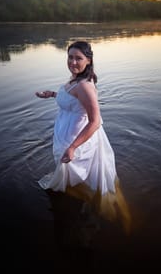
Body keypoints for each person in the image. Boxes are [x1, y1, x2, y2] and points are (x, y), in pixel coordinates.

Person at [35, 41, 131, 232]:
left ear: (88, 60)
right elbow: (73, 99)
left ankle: (102, 212)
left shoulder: (85, 86)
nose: (73, 62)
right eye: (70, 57)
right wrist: (53, 94)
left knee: (85, 179)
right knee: (76, 177)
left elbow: (95, 121)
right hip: (68, 134)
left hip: (77, 140)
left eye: (78, 58)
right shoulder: (75, 79)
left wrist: (72, 147)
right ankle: (80, 199)